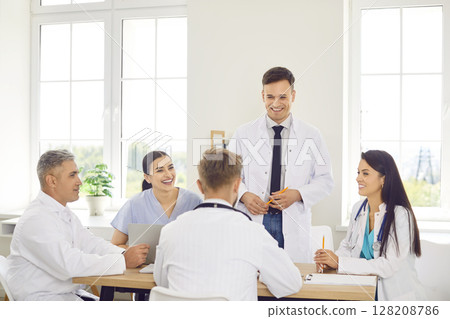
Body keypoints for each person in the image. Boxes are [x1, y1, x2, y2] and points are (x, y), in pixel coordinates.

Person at [154, 148, 302, 301]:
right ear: (237, 185)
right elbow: (291, 283)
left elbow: (162, 282)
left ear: (199, 185)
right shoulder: (254, 232)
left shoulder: (169, 231)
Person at [6, 150, 149, 301]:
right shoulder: (36, 219)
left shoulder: (63, 212)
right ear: (52, 181)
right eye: (72, 175)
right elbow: (70, 264)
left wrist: (124, 255)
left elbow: (91, 243)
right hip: (42, 299)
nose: (79, 181)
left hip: (65, 295)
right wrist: (123, 261)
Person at [228, 66, 333, 262]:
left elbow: (326, 180)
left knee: (292, 283)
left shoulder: (312, 135)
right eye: (270, 97)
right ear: (262, 96)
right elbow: (229, 176)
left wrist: (298, 194)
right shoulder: (243, 133)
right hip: (254, 217)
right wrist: (244, 195)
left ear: (293, 96)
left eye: (283, 97)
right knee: (252, 279)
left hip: (293, 220)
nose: (276, 103)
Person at [314, 150, 425, 301]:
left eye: (365, 173)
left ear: (383, 179)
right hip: (363, 291)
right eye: (358, 172)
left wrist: (339, 262)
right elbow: (348, 246)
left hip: (394, 297)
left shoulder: (401, 215)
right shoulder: (358, 209)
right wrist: (332, 261)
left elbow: (388, 265)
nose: (358, 178)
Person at [111, 151, 202, 247]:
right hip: (147, 262)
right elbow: (116, 244)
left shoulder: (194, 201)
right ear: (147, 178)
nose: (168, 174)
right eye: (160, 170)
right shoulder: (134, 204)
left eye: (170, 168)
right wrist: (133, 253)